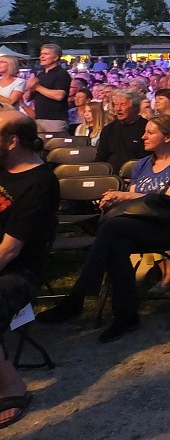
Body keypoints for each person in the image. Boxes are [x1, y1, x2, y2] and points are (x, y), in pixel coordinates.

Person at [40, 115, 170, 342]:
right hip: (137, 224)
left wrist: (123, 195)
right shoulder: (142, 163)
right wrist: (114, 201)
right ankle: (125, 316)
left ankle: (77, 299)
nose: (143, 136)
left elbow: (169, 201)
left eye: (150, 132)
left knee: (112, 228)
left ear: (168, 137)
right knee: (117, 246)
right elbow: (134, 203)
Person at [0, 112, 60, 429]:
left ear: (12, 141)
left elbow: (10, 249)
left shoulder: (40, 182)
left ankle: (11, 384)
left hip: (17, 271)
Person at [95, 89, 149, 173]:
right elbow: (100, 159)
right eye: (116, 105)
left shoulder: (146, 128)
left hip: (138, 175)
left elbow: (148, 159)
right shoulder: (109, 129)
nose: (118, 109)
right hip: (111, 177)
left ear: (135, 107)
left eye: (123, 105)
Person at [23, 43, 71, 133]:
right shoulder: (40, 75)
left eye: (46, 54)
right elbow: (29, 98)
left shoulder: (61, 74)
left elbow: (59, 95)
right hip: (39, 118)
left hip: (55, 120)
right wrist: (29, 88)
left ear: (56, 58)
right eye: (41, 54)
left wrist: (37, 87)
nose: (42, 57)